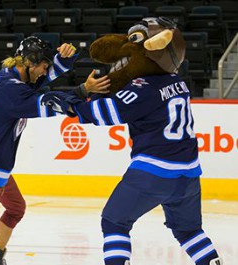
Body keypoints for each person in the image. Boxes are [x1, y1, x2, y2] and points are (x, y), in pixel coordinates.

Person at [41, 25, 223, 265]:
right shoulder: (178, 82)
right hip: (188, 175)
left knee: (114, 221)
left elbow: (105, 113)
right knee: (189, 231)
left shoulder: (143, 88)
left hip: (154, 171)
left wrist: (69, 103)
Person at [0, 36, 110, 265]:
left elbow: (43, 80)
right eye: (43, 66)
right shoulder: (9, 90)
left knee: (15, 208)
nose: (44, 72)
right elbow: (50, 102)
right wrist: (83, 90)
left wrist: (65, 59)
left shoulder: (16, 76)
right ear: (29, 61)